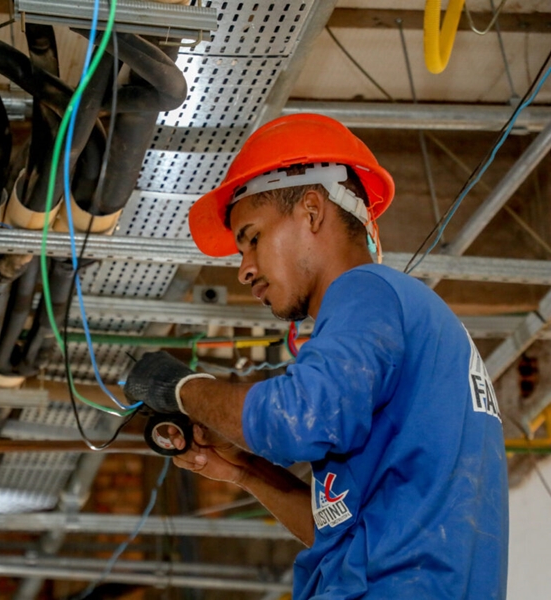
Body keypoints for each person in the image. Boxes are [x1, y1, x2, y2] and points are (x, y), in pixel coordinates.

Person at [124, 113, 509, 599]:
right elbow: (340, 534)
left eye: (252, 238)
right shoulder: (411, 326)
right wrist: (245, 470)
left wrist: (179, 388)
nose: (243, 270)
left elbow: (295, 418)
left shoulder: (369, 292)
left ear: (311, 210)